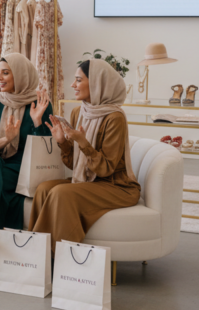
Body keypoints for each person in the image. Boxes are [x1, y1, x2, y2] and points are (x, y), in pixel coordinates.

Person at [30, 59, 141, 248]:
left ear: (97, 83)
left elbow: (106, 169)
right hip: (91, 180)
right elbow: (75, 165)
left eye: (78, 80)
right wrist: (63, 142)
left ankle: (56, 258)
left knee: (61, 193)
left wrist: (83, 142)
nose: (73, 85)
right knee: (43, 189)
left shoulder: (115, 118)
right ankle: (39, 255)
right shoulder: (77, 112)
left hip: (116, 185)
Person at [0, 52, 52, 282]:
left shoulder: (41, 103)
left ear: (21, 75)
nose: (0, 78)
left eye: (6, 72)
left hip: (22, 170)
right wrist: (5, 139)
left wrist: (36, 123)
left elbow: (46, 148)